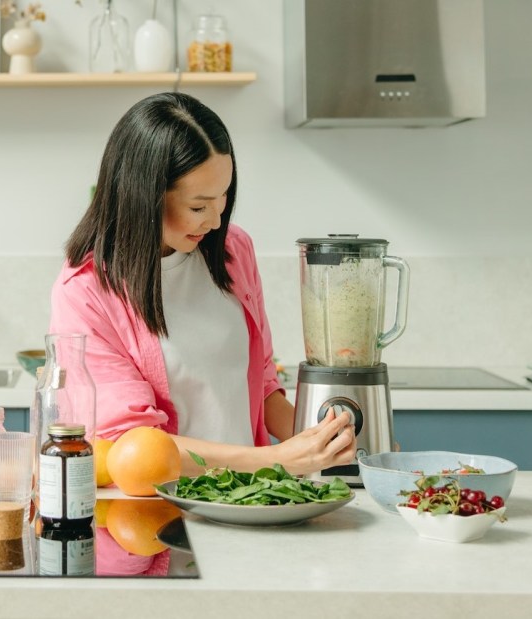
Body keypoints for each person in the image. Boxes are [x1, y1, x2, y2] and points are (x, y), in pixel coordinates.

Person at [49, 92, 356, 476]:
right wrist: (278, 460)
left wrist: (329, 443)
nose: (214, 220)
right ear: (144, 198)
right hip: (163, 513)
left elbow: (261, 383)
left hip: (253, 499)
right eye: (198, 206)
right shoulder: (85, 292)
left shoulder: (233, 250)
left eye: (223, 198)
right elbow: (135, 444)